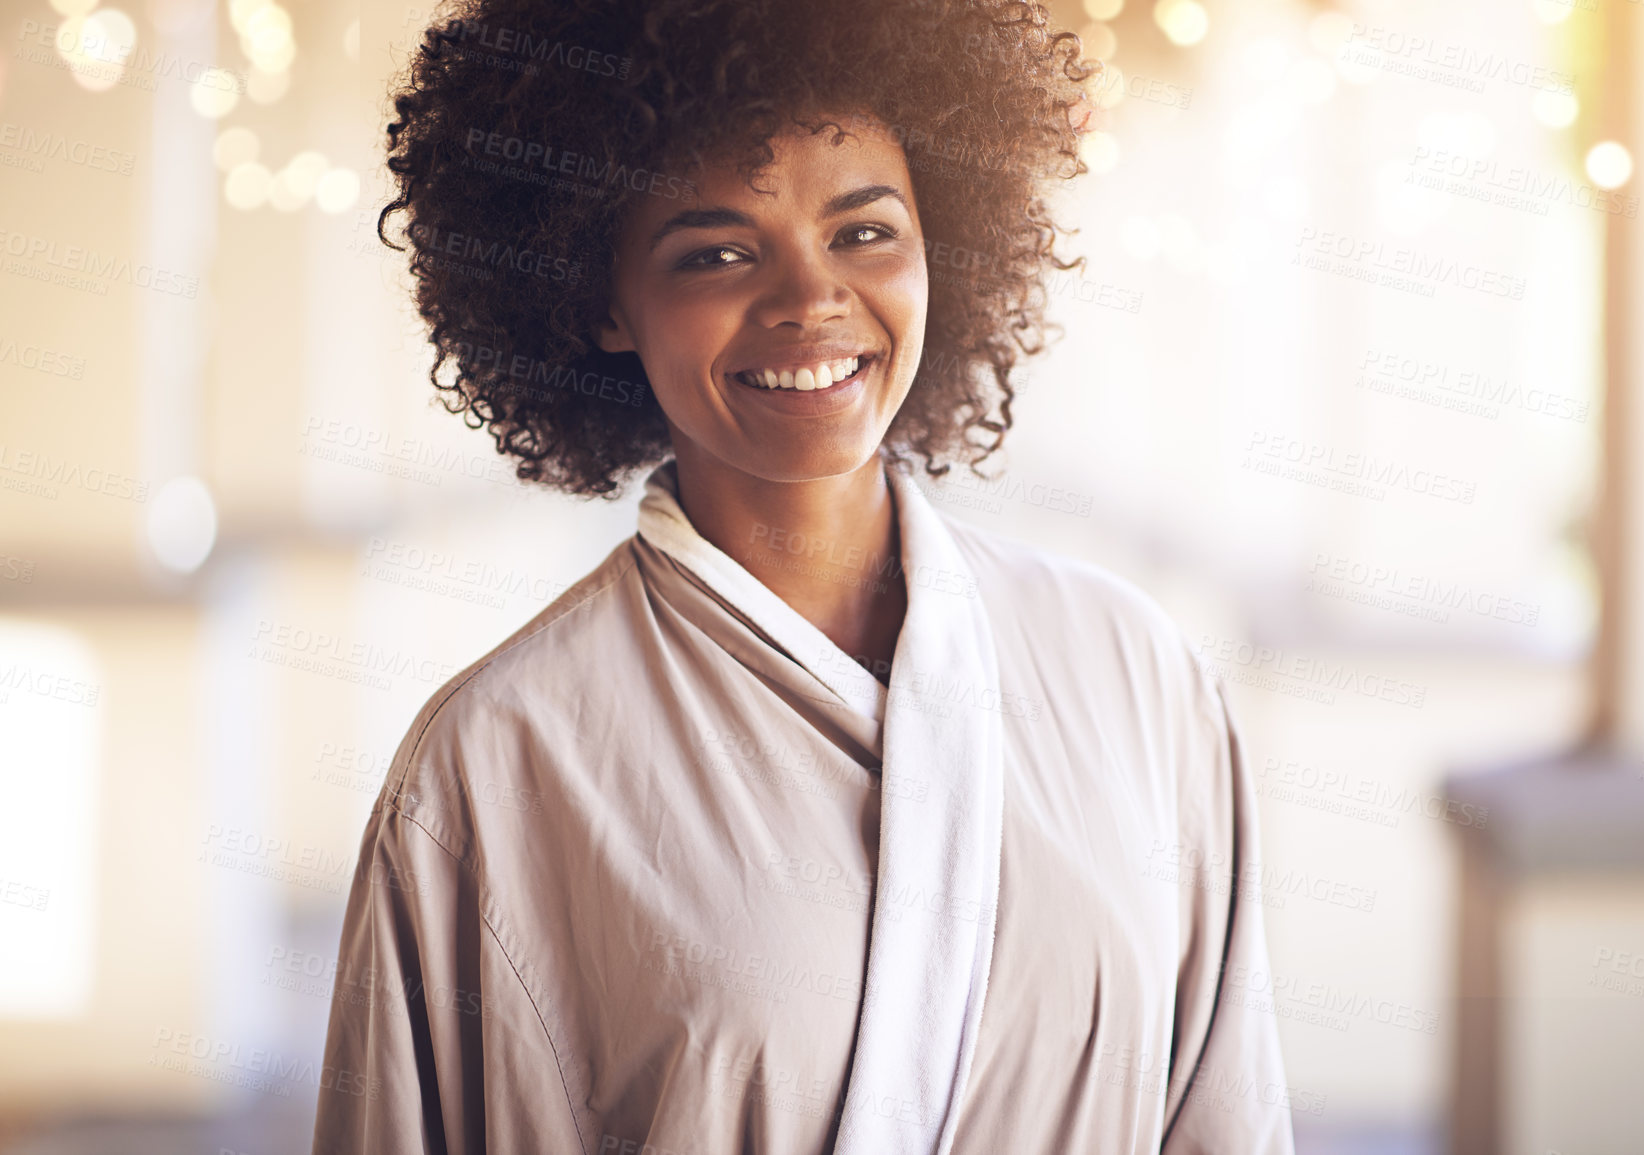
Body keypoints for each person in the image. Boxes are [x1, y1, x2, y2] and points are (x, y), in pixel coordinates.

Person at [313, 1, 1294, 1152]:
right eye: (717, 252)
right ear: (600, 301)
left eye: (865, 232)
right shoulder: (496, 763)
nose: (810, 300)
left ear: (948, 242)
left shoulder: (1139, 677)